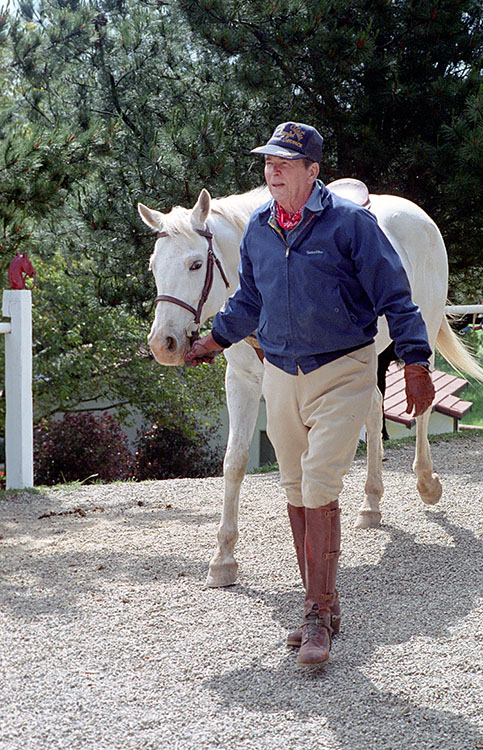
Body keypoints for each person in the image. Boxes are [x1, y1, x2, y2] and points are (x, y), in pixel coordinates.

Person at [185, 122, 435, 668]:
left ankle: (318, 614)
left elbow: (396, 294)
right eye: (268, 162)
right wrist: (212, 340)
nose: (271, 171)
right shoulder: (258, 228)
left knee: (320, 482)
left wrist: (415, 362)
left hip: (343, 368)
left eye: (284, 163)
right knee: (295, 486)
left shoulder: (350, 225)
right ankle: (320, 603)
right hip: (281, 371)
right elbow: (249, 299)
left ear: (313, 171)